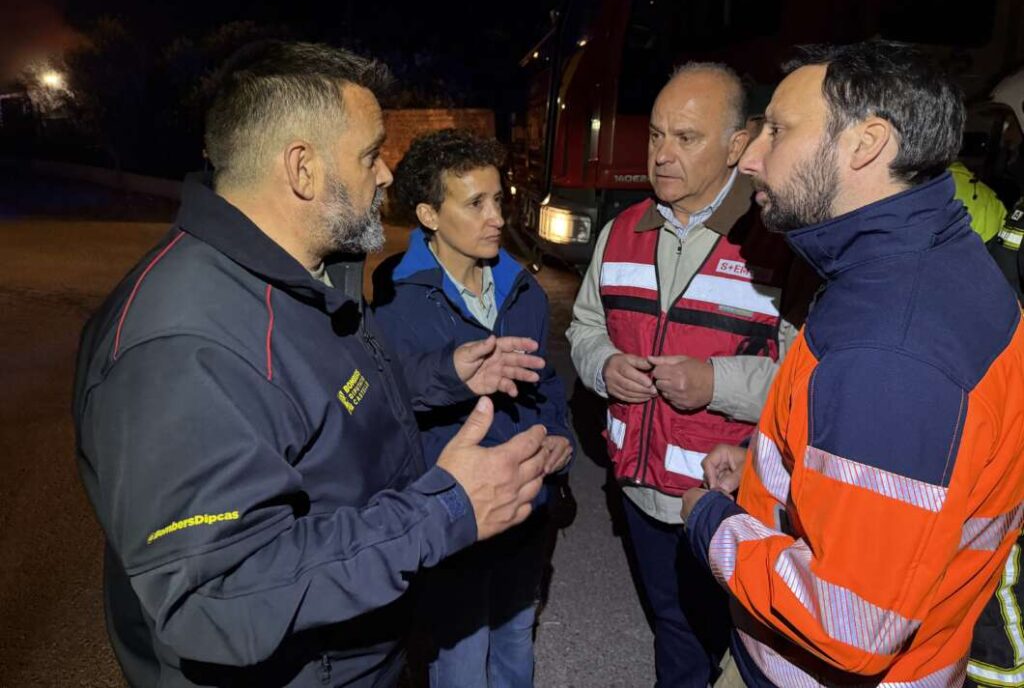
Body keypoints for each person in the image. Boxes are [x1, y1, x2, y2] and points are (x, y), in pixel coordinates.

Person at [72, 40, 554, 688]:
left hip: (357, 651)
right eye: (367, 154)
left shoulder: (301, 277)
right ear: (301, 169)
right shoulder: (182, 349)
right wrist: (444, 512)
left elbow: (336, 399)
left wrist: (447, 370)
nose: (386, 174)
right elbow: (217, 593)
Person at [685, 41, 1024, 688]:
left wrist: (712, 522)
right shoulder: (926, 264)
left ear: (866, 144)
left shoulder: (893, 348)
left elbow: (849, 623)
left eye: (778, 131)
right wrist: (771, 466)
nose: (751, 158)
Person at [566, 62, 809, 688]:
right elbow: (585, 325)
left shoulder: (778, 246)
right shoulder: (622, 230)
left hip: (734, 497)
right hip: (640, 491)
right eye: (655, 135)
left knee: (749, 641)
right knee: (674, 630)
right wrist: (603, 366)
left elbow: (808, 382)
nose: (662, 155)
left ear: (736, 145)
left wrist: (715, 384)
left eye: (686, 138)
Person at [373, 128, 574, 687]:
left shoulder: (522, 290)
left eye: (498, 200)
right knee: (460, 656)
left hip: (526, 505)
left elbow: (545, 382)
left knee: (514, 640)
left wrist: (558, 436)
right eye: (476, 203)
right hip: (455, 510)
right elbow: (388, 398)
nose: (496, 218)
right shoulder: (394, 296)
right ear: (429, 215)